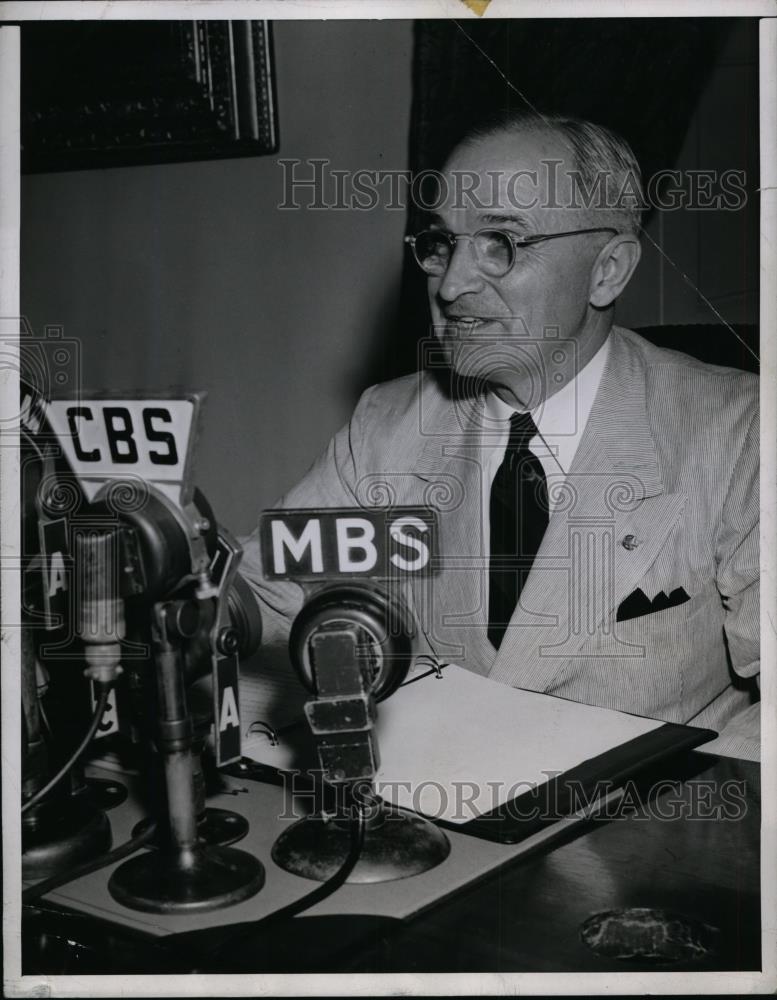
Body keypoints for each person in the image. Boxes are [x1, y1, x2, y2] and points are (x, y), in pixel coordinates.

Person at [240, 111, 759, 757]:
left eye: (500, 243)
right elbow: (269, 600)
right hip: (436, 818)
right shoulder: (387, 426)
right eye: (441, 243)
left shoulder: (739, 433)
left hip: (646, 824)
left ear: (607, 270)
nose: (451, 285)